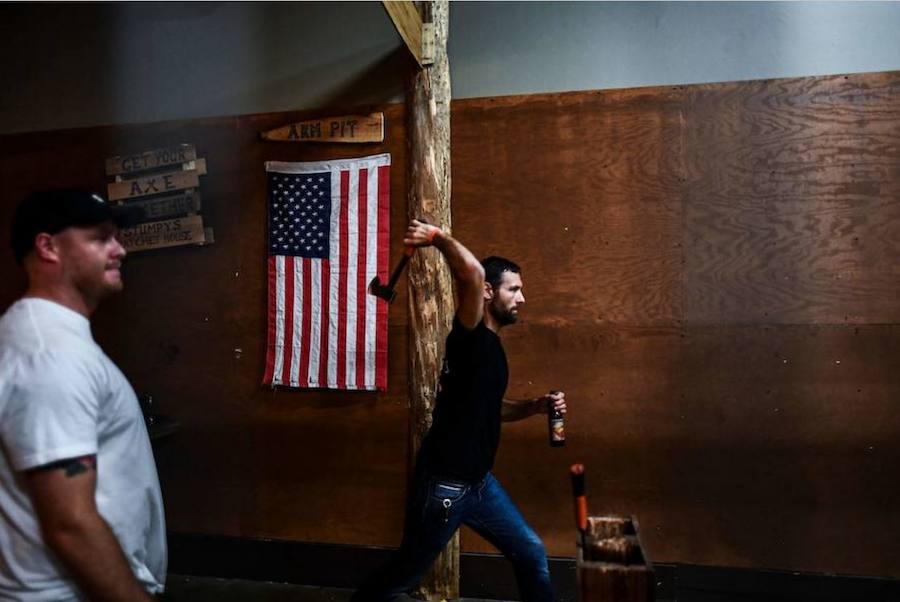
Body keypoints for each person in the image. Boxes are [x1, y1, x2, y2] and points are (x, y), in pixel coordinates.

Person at [353, 219, 566, 601]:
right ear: (487, 292)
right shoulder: (469, 335)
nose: (522, 298)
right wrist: (435, 237)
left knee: (531, 552)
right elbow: (470, 272)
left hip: (480, 484)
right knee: (401, 577)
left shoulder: (492, 350)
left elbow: (490, 410)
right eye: (514, 289)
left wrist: (534, 407)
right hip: (445, 487)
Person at [0, 189, 166, 601]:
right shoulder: (50, 354)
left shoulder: (51, 340)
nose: (119, 250)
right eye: (100, 237)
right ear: (47, 246)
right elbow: (70, 524)